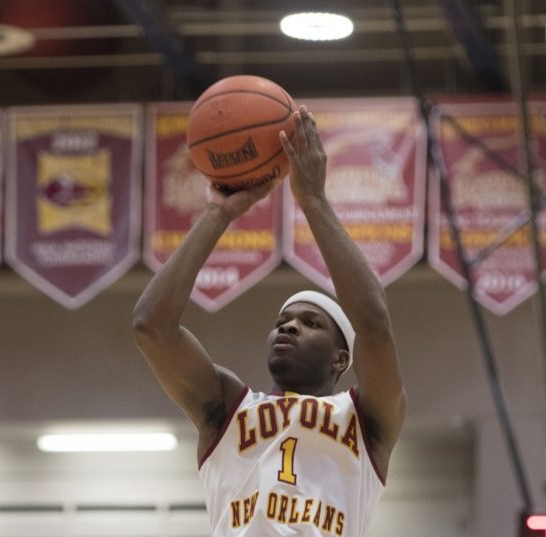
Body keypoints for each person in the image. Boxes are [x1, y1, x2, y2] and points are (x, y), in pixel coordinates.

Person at [133, 106, 406, 537]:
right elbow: (152, 327)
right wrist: (218, 213)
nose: (290, 327)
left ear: (341, 358)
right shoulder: (227, 408)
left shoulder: (366, 418)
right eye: (284, 320)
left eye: (311, 323)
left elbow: (374, 324)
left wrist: (313, 201)